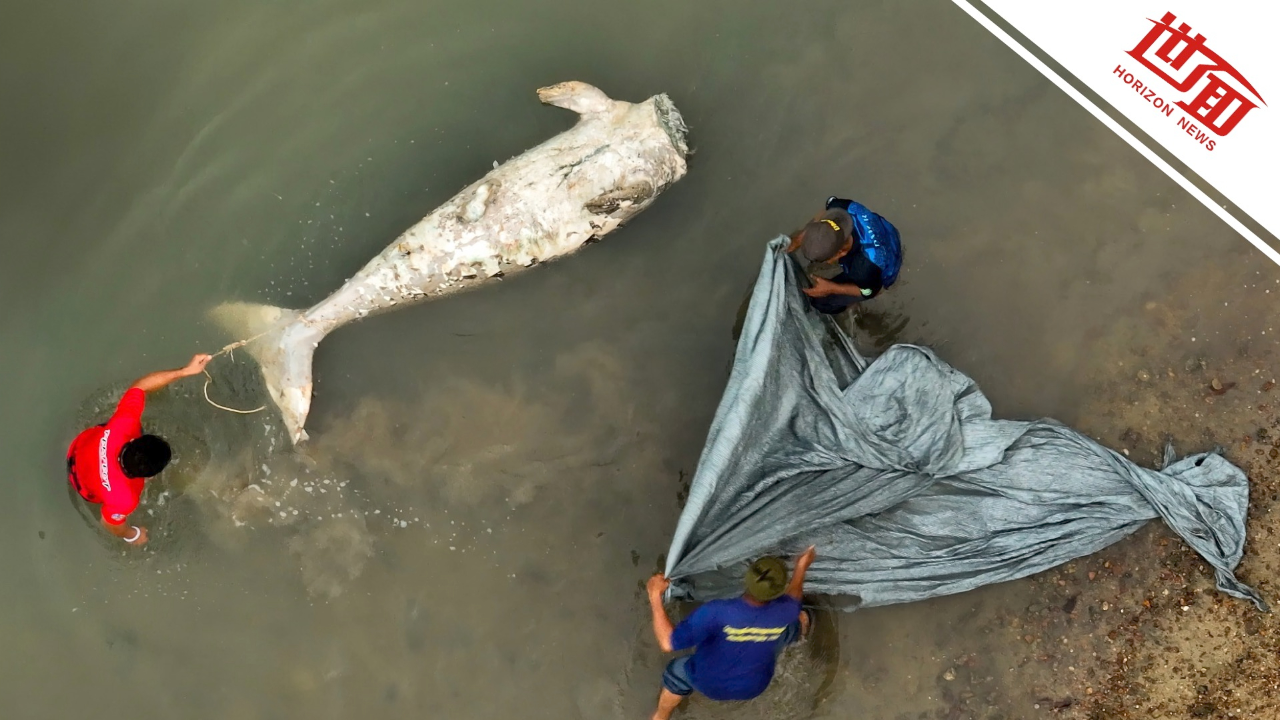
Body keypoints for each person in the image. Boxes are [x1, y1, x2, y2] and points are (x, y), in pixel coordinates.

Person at [645, 546, 817, 720]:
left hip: (708, 683)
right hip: (754, 686)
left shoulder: (717, 612)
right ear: (780, 591)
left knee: (676, 672)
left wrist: (654, 596)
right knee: (795, 623)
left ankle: (661, 716)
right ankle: (801, 632)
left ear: (747, 579)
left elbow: (667, 643)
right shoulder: (787, 610)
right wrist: (801, 566)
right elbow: (795, 593)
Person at [65, 353, 212, 546]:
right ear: (149, 476)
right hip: (82, 486)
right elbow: (109, 523)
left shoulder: (124, 425)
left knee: (118, 419)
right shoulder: (125, 499)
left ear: (133, 442)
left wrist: (185, 371)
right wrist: (133, 535)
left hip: (78, 447)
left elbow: (140, 386)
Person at [786, 196, 903, 315]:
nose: (827, 263)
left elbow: (869, 291)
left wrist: (831, 288)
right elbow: (825, 212)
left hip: (888, 262)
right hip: (886, 229)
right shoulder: (842, 209)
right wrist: (800, 238)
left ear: (841, 252)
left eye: (826, 260)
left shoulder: (864, 268)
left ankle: (851, 305)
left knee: (820, 303)